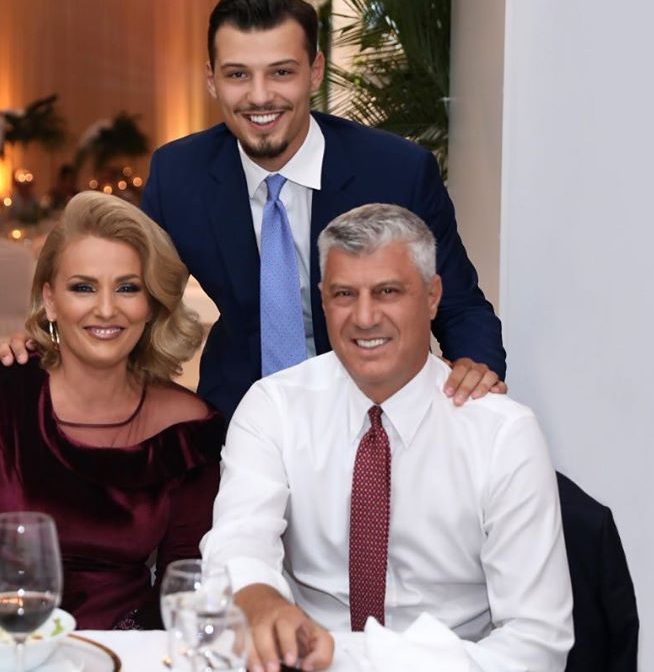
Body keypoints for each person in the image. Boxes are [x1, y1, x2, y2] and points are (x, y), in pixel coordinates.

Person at [0, 0, 506, 419]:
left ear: (315, 71)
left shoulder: (396, 171)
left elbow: (458, 304)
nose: (259, 96)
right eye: (238, 74)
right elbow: (127, 289)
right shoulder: (180, 173)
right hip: (239, 412)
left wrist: (476, 369)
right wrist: (44, 341)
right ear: (212, 79)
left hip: (378, 405)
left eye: (281, 72)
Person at [202, 204, 573, 672]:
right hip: (306, 659)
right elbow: (239, 540)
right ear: (322, 299)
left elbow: (536, 642)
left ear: (433, 297)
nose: (364, 317)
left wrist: (385, 662)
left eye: (388, 292)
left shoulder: (501, 434)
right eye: (344, 294)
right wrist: (260, 602)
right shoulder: (273, 407)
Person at [0, 192, 226, 633]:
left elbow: (181, 578)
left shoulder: (188, 429)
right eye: (83, 287)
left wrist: (115, 653)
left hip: (118, 645)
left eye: (127, 287)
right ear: (50, 299)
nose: (105, 309)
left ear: (151, 303)